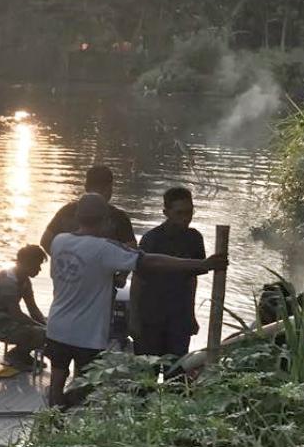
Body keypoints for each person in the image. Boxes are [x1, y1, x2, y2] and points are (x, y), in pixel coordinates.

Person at [46, 195, 226, 409]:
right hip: (87, 335)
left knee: (56, 383)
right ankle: (71, 419)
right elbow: (150, 261)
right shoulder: (105, 249)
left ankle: (54, 420)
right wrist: (201, 264)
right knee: (85, 387)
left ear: (78, 218)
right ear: (106, 220)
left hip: (57, 328)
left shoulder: (59, 242)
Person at [131, 187, 208, 369]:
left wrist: (191, 315)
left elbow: (192, 279)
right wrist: (133, 319)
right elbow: (137, 280)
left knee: (176, 370)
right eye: (179, 213)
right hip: (150, 316)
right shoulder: (152, 240)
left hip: (179, 317)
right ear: (166, 212)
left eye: (189, 212)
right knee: (148, 371)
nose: (185, 218)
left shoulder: (194, 239)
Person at [40, 164, 138, 253]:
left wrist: (62, 261)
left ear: (86, 187)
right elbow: (132, 252)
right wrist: (118, 272)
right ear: (109, 189)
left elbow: (45, 241)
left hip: (70, 270)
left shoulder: (66, 211)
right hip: (103, 272)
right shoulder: (118, 217)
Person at [0, 244, 48, 369]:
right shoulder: (8, 281)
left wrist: (45, 323)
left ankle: (24, 354)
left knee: (48, 325)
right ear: (27, 263)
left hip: (9, 320)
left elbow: (32, 308)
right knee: (42, 333)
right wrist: (41, 327)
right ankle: (16, 355)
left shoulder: (24, 281)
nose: (39, 269)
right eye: (37, 265)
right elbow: (16, 314)